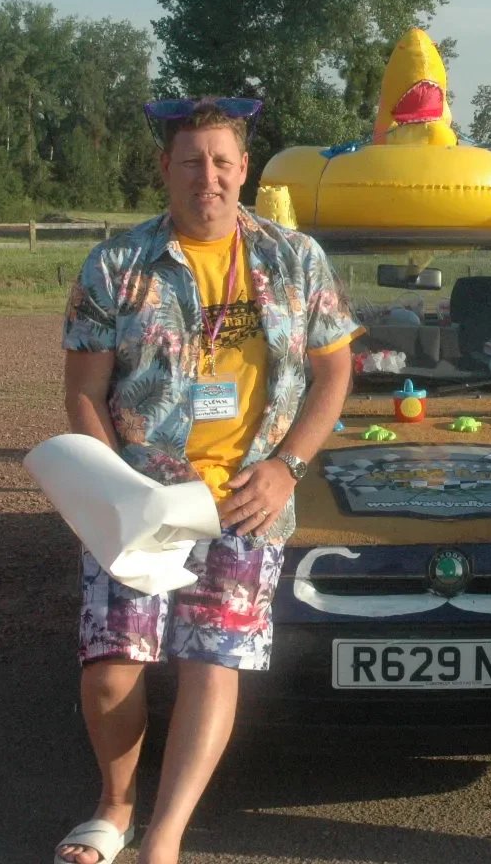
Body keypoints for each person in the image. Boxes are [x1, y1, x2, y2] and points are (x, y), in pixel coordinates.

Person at [55, 97, 360, 864]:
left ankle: (165, 836)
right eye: (191, 161)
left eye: (223, 161)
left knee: (212, 660)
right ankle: (114, 805)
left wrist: (288, 468)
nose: (209, 177)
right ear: (165, 168)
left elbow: (335, 372)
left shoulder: (295, 258)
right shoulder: (116, 266)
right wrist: (114, 490)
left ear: (244, 168)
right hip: (143, 496)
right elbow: (84, 393)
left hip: (249, 500)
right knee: (111, 667)